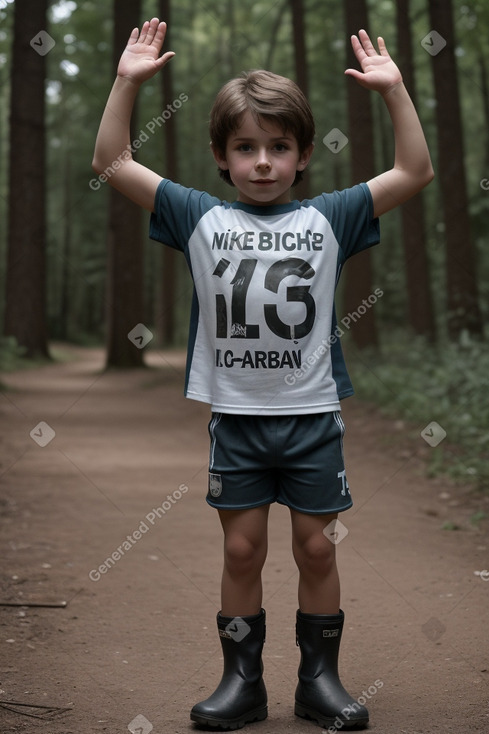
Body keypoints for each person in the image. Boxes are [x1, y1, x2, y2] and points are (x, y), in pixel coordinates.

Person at [92, 18, 433, 731]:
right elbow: (113, 163)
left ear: (304, 153)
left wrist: (396, 91)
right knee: (241, 548)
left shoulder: (331, 217)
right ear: (220, 155)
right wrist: (127, 80)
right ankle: (240, 683)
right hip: (237, 422)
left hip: (311, 419)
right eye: (244, 147)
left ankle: (320, 682)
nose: (262, 162)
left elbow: (413, 172)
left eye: (278, 147)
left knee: (315, 546)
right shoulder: (198, 216)